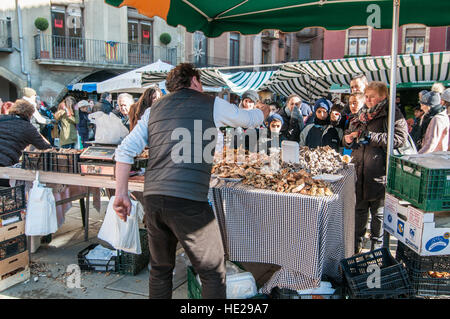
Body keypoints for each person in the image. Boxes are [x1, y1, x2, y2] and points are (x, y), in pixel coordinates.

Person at [113, 63, 270, 299]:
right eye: (201, 83)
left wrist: (121, 194)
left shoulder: (153, 110)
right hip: (187, 201)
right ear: (195, 81)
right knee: (213, 273)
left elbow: (124, 151)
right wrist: (263, 111)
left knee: (160, 270)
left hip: (154, 199)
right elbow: (250, 119)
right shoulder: (210, 103)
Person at [343, 81, 408, 253]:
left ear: (383, 97)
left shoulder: (392, 113)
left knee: (378, 218)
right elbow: (349, 134)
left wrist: (371, 137)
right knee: (358, 216)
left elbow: (399, 139)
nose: (369, 100)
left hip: (380, 174)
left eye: (372, 97)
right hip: (359, 172)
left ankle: (376, 256)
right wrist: (348, 139)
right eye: (367, 96)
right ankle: (355, 252)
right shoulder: (362, 114)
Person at [0, 99, 52, 186]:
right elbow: (44, 146)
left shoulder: (1, 119)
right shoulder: (28, 127)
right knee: (6, 193)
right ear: (29, 114)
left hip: (4, 163)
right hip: (4, 166)